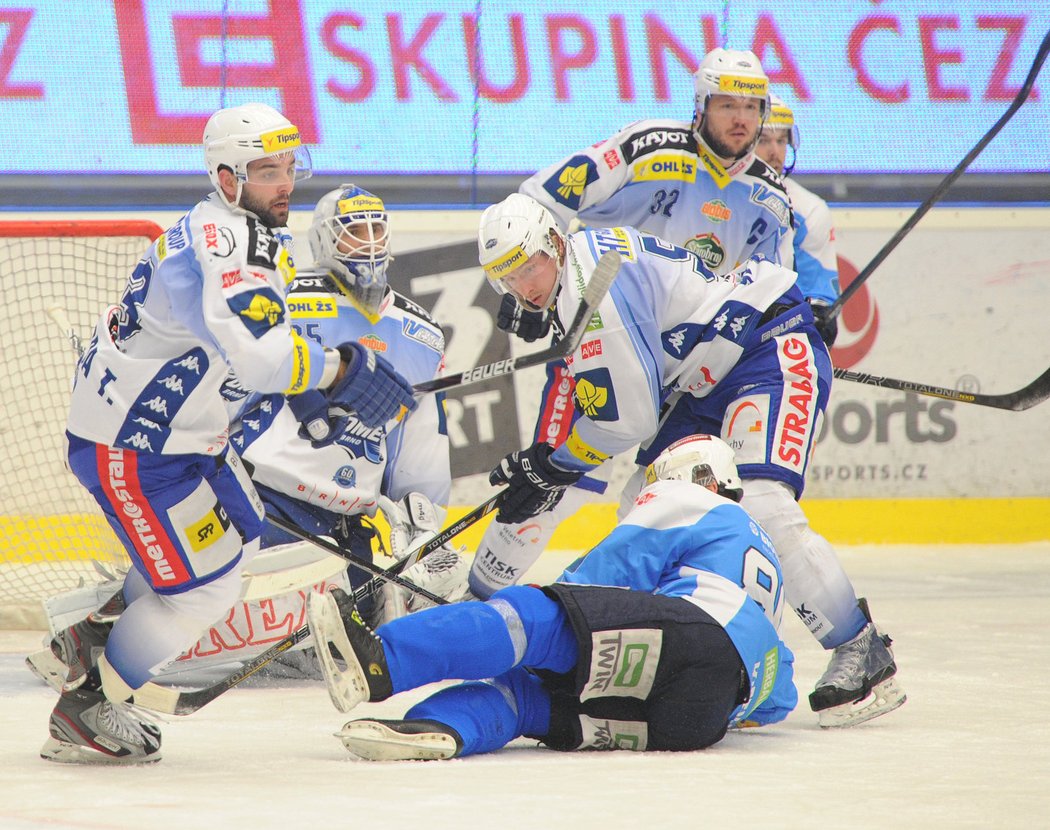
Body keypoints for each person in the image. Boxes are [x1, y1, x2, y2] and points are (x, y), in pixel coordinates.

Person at [40, 105, 417, 765]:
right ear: (225, 176)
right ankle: (89, 704)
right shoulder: (236, 244)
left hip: (180, 435)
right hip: (137, 445)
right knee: (206, 586)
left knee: (238, 542)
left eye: (289, 166)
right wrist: (342, 369)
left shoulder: (231, 225)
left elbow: (239, 349)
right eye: (266, 171)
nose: (285, 183)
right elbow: (264, 360)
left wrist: (312, 388)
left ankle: (94, 635)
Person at [472, 193, 905, 729]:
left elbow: (627, 421)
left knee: (763, 504)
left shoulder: (593, 292)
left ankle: (861, 648)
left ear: (555, 245)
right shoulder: (576, 272)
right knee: (647, 506)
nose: (524, 287)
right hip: (700, 379)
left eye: (530, 267)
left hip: (766, 347)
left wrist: (554, 463)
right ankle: (689, 651)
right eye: (508, 278)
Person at [26, 185, 463, 690]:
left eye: (375, 229)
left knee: (360, 621)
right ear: (324, 240)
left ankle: (106, 643)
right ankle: (99, 633)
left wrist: (423, 512)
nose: (366, 244)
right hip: (264, 486)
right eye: (351, 232)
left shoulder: (421, 333)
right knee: (200, 575)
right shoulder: (288, 296)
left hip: (344, 518)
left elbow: (420, 440)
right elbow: (232, 378)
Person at [472, 48, 796, 601]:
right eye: (726, 104)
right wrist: (529, 301)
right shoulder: (647, 147)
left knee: (663, 492)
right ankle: (470, 601)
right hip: (598, 332)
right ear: (700, 106)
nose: (740, 119)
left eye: (752, 106)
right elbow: (538, 198)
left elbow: (774, 283)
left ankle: (653, 611)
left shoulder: (770, 197)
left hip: (685, 364)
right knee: (555, 482)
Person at [307, 434, 797, 760]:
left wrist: (539, 608)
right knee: (531, 701)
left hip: (693, 643)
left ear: (703, 479)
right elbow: (781, 697)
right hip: (701, 720)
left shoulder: (694, 499)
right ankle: (437, 727)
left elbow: (602, 576)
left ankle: (380, 662)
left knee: (533, 623)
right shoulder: (762, 555)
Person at [754, 94, 841, 346]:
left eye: (781, 141)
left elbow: (820, 301)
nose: (774, 152)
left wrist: (817, 320)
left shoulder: (809, 210)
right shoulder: (709, 192)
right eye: (763, 140)